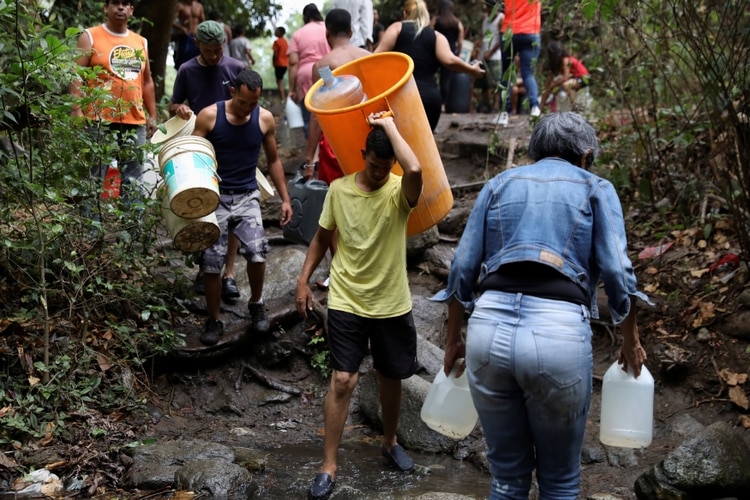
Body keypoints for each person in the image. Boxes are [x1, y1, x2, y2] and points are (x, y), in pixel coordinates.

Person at [433, 112, 650, 499]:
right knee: (560, 480)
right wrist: (630, 341)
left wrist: (453, 338)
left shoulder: (499, 183)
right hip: (558, 333)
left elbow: (462, 268)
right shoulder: (596, 187)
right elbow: (618, 272)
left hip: (488, 328)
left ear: (535, 151)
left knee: (506, 477)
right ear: (585, 155)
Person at [295, 112, 422, 500]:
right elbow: (321, 237)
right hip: (348, 298)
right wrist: (303, 278)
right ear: (362, 155)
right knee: (343, 379)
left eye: (387, 167)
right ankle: (329, 464)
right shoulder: (339, 189)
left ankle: (389, 441)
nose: (381, 172)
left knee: (390, 376)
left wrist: (389, 126)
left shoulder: (401, 192)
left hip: (391, 301)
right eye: (375, 164)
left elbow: (414, 166)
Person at [192, 70, 292, 346]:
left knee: (258, 253)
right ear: (233, 91)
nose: (248, 108)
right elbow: (191, 155)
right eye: (243, 102)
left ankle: (256, 304)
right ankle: (214, 319)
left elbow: (273, 161)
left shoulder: (264, 118)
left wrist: (285, 199)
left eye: (254, 103)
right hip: (216, 196)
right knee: (212, 263)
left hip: (248, 195)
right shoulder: (210, 116)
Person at [169, 20, 246, 301]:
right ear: (198, 44)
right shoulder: (187, 70)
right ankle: (206, 269)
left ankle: (229, 274)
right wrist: (180, 108)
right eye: (208, 50)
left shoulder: (236, 68)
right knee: (204, 207)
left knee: (234, 211)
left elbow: (249, 103)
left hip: (233, 148)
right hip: (201, 148)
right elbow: (174, 103)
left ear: (223, 46)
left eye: (218, 50)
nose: (214, 56)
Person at [70, 0, 158, 204]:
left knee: (133, 179)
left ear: (132, 10)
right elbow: (76, 75)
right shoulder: (90, 36)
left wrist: (152, 115)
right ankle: (92, 231)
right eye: (115, 3)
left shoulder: (141, 41)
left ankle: (133, 230)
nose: (121, 7)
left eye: (125, 4)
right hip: (97, 118)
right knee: (93, 177)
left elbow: (147, 82)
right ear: (105, 8)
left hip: (134, 120)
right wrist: (77, 110)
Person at [374, 0, 483, 132]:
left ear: (404, 14)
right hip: (429, 101)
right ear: (426, 15)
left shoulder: (397, 28)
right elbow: (449, 60)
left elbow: (376, 57)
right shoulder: (436, 36)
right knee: (424, 147)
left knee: (397, 146)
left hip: (400, 99)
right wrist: (471, 70)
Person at [302, 8, 370, 185]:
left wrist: (309, 160)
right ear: (351, 32)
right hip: (368, 136)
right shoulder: (368, 57)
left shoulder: (323, 66)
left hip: (336, 143)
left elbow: (317, 115)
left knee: (337, 198)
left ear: (327, 32)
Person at [496, 0, 542, 125]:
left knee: (507, 72)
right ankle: (535, 107)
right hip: (531, 33)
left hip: (510, 32)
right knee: (528, 74)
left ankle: (504, 113)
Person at [288, 3, 330, 138]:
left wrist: (292, 90)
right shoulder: (328, 28)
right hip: (326, 71)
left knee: (309, 118)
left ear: (304, 17)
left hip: (305, 75)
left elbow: (293, 63)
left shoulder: (298, 34)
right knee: (330, 112)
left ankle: (314, 155)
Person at [432, 0, 465, 109]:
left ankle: (433, 101)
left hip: (436, 51)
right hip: (450, 52)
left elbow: (429, 33)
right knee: (445, 79)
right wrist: (458, 53)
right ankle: (444, 104)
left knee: (432, 76)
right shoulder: (457, 22)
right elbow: (460, 41)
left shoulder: (436, 20)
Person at [540, 41, 591, 112]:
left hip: (583, 77)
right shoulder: (556, 65)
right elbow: (548, 85)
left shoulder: (565, 60)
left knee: (565, 85)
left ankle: (575, 106)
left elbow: (565, 77)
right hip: (574, 77)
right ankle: (546, 107)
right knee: (553, 88)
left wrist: (553, 84)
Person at [480, 0, 504, 116]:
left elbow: (501, 38)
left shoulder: (501, 18)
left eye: (489, 7)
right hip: (485, 55)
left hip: (496, 56)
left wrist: (491, 52)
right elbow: (482, 37)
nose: (487, 10)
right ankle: (486, 105)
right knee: (485, 83)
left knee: (496, 82)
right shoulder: (485, 20)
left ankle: (496, 105)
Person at [173, 0, 205, 70]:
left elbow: (203, 23)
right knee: (182, 61)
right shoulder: (181, 5)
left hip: (196, 38)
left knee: (196, 62)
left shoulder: (199, 6)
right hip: (184, 37)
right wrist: (181, 28)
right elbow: (172, 21)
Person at [272, 26, 289, 102]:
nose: (275, 32)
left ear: (280, 33)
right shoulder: (285, 42)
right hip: (285, 64)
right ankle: (284, 97)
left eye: (277, 31)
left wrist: (273, 61)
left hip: (279, 63)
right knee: (281, 80)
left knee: (279, 81)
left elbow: (275, 54)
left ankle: (282, 99)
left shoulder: (277, 42)